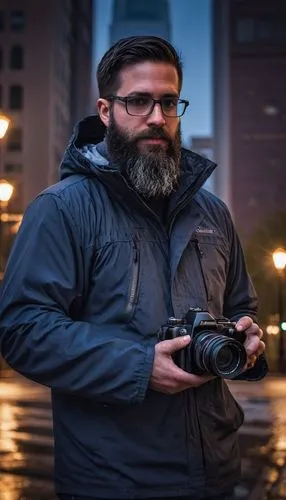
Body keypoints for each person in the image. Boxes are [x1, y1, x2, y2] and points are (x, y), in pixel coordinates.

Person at [0, 36, 267, 500]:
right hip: (111, 482)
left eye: (168, 102)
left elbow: (242, 306)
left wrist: (246, 339)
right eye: (138, 102)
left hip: (218, 476)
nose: (157, 118)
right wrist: (141, 366)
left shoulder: (214, 213)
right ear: (105, 111)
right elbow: (23, 329)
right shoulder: (61, 209)